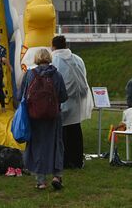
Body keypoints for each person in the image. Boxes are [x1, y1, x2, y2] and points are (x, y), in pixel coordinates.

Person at [20, 48, 68, 190]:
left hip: (34, 117)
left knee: (38, 146)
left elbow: (22, 95)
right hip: (53, 117)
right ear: (49, 58)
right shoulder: (57, 75)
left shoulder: (29, 74)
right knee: (56, 144)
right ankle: (57, 175)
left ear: (36, 59)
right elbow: (63, 96)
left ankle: (41, 181)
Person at [51, 35, 93, 169]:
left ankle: (64, 160)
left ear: (53, 46)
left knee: (62, 133)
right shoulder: (77, 59)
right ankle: (77, 160)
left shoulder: (54, 60)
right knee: (75, 130)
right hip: (76, 101)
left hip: (62, 100)